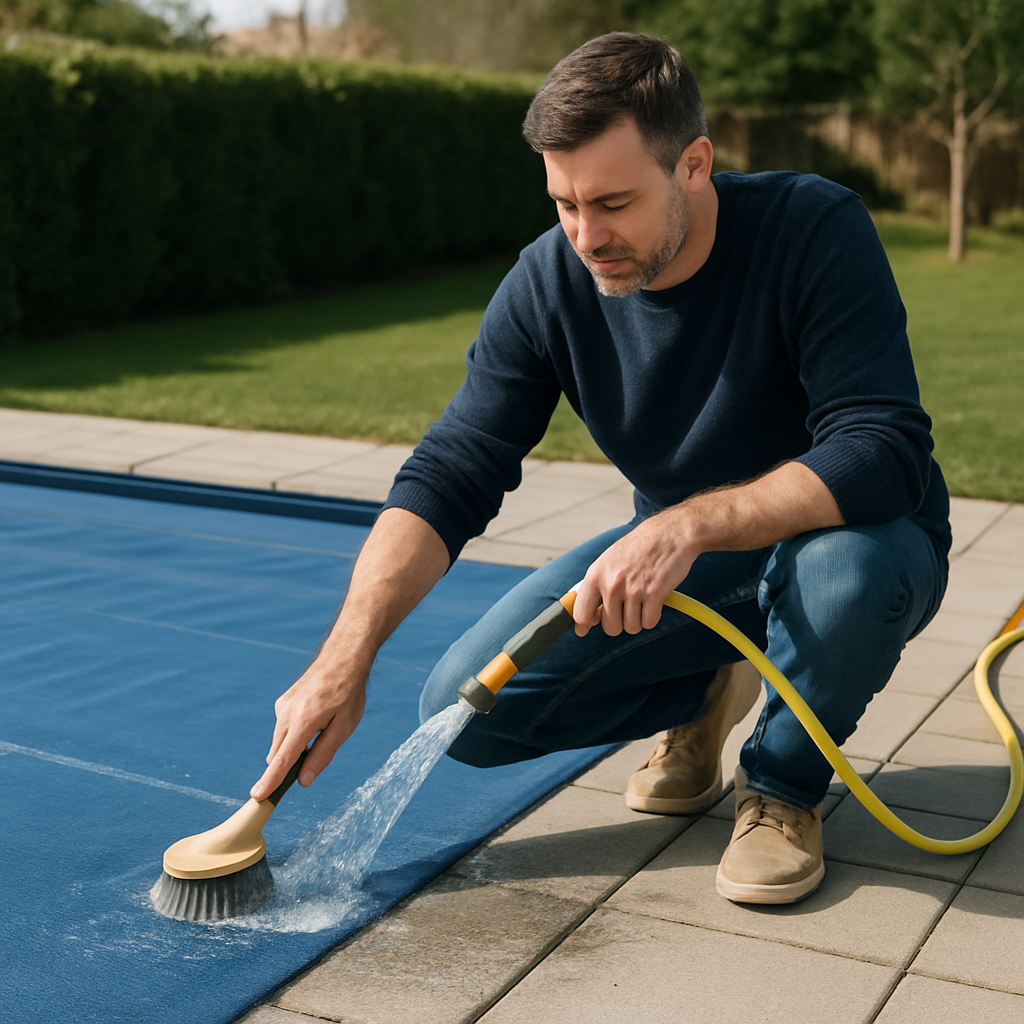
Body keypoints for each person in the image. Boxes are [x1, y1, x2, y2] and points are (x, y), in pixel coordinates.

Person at [251, 32, 950, 905]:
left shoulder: (812, 228)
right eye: (564, 204)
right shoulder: (548, 283)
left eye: (614, 202)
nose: (587, 236)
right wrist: (342, 658)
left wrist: (683, 523)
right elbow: (455, 466)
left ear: (694, 164)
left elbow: (881, 449)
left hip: (862, 539)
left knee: (842, 574)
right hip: (691, 566)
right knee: (460, 712)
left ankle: (780, 785)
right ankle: (701, 690)